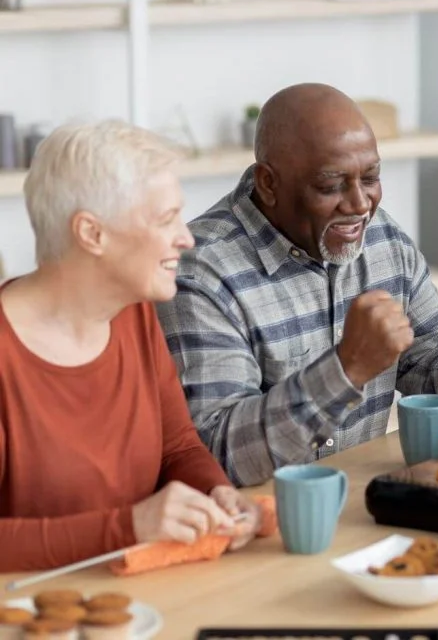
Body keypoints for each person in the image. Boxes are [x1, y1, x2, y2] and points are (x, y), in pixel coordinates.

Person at [156, 83, 438, 487]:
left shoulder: (381, 239)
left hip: (357, 508)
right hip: (253, 528)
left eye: (371, 177)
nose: (360, 204)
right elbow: (216, 457)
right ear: (268, 183)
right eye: (331, 186)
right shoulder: (200, 272)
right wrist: (346, 369)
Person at [0, 120, 260, 572]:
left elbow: (176, 448)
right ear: (92, 234)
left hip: (139, 593)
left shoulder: (132, 312)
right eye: (165, 219)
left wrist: (217, 494)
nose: (187, 237)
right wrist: (130, 526)